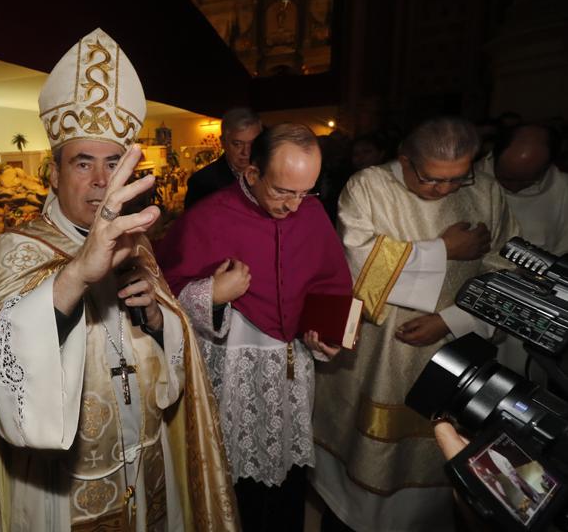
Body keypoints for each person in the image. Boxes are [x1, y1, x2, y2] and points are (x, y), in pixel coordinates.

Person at [0, 29, 238, 531]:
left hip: (145, 461)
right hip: (63, 484)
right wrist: (78, 273)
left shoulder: (136, 242)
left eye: (113, 165)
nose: (102, 181)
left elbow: (176, 352)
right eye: (84, 163)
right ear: (53, 174)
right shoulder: (18, 248)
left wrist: (157, 319)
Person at [312, 117, 521, 532]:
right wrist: (443, 248)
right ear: (405, 159)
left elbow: (507, 270)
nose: (444, 190)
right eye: (431, 180)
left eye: (458, 179)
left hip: (457, 348)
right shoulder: (370, 187)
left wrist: (450, 320)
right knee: (364, 480)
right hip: (379, 353)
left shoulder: (487, 191)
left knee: (439, 475)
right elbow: (358, 268)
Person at [158, 123, 352, 531]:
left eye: (305, 192)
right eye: (282, 191)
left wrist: (325, 337)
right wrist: (212, 293)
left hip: (291, 368)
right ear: (252, 174)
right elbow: (163, 295)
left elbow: (329, 284)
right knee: (236, 480)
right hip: (232, 366)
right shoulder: (210, 215)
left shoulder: (312, 213)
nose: (294, 207)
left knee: (287, 481)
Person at [479, 123, 568, 378]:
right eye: (506, 178)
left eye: (525, 180)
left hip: (532, 306)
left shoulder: (563, 190)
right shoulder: (471, 178)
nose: (513, 188)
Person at [183, 107, 262, 209]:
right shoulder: (201, 183)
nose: (246, 152)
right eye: (237, 144)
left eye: (252, 143)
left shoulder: (269, 173)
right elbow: (193, 223)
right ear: (223, 142)